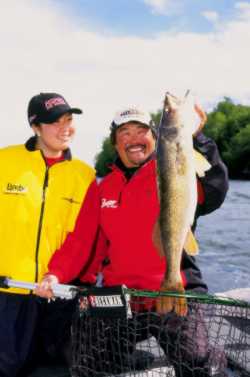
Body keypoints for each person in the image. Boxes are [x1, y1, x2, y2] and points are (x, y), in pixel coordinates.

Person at [37, 103, 229, 376]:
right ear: (115, 144)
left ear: (155, 137)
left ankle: (209, 357)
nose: (134, 138)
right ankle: (130, 357)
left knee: (198, 365)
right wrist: (56, 274)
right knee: (86, 358)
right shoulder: (103, 188)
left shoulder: (173, 170)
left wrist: (199, 138)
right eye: (124, 133)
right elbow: (83, 241)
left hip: (175, 291)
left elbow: (214, 190)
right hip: (122, 297)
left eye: (141, 130)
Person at [0, 92, 99, 377]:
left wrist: (56, 274)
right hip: (6, 293)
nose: (64, 127)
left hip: (54, 294)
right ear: (35, 127)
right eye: (54, 122)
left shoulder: (85, 176)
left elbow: (81, 238)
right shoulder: (5, 160)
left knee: (50, 370)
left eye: (68, 119)